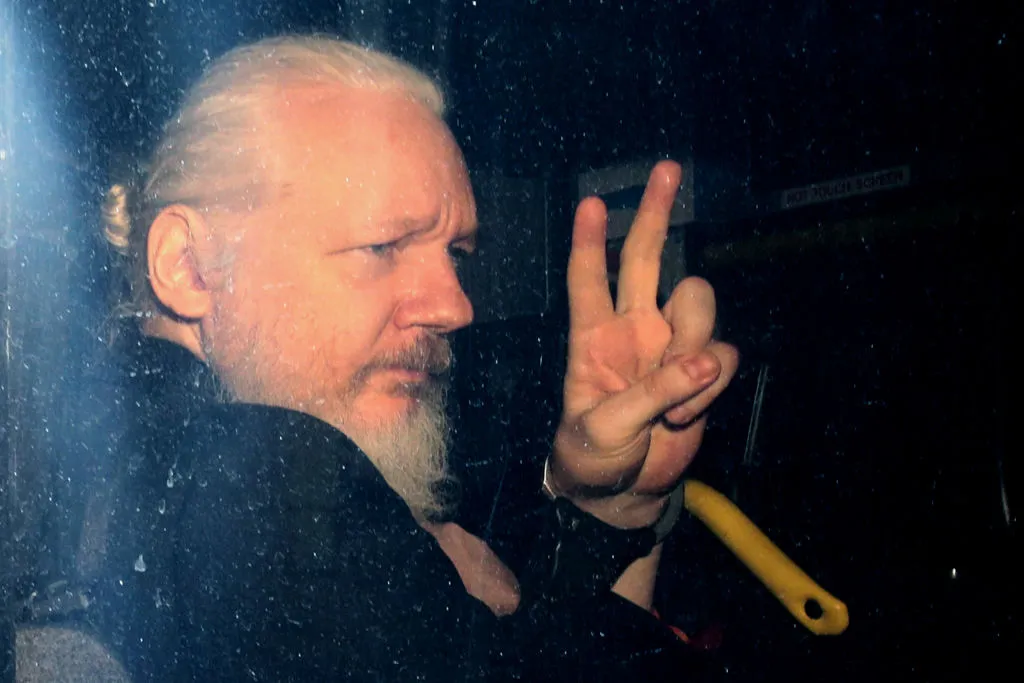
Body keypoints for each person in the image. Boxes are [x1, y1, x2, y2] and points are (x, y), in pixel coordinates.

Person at [79, 34, 738, 681]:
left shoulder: (119, 481)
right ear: (188, 266)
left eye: (454, 253)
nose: (455, 306)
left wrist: (611, 506)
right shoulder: (270, 483)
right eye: (383, 246)